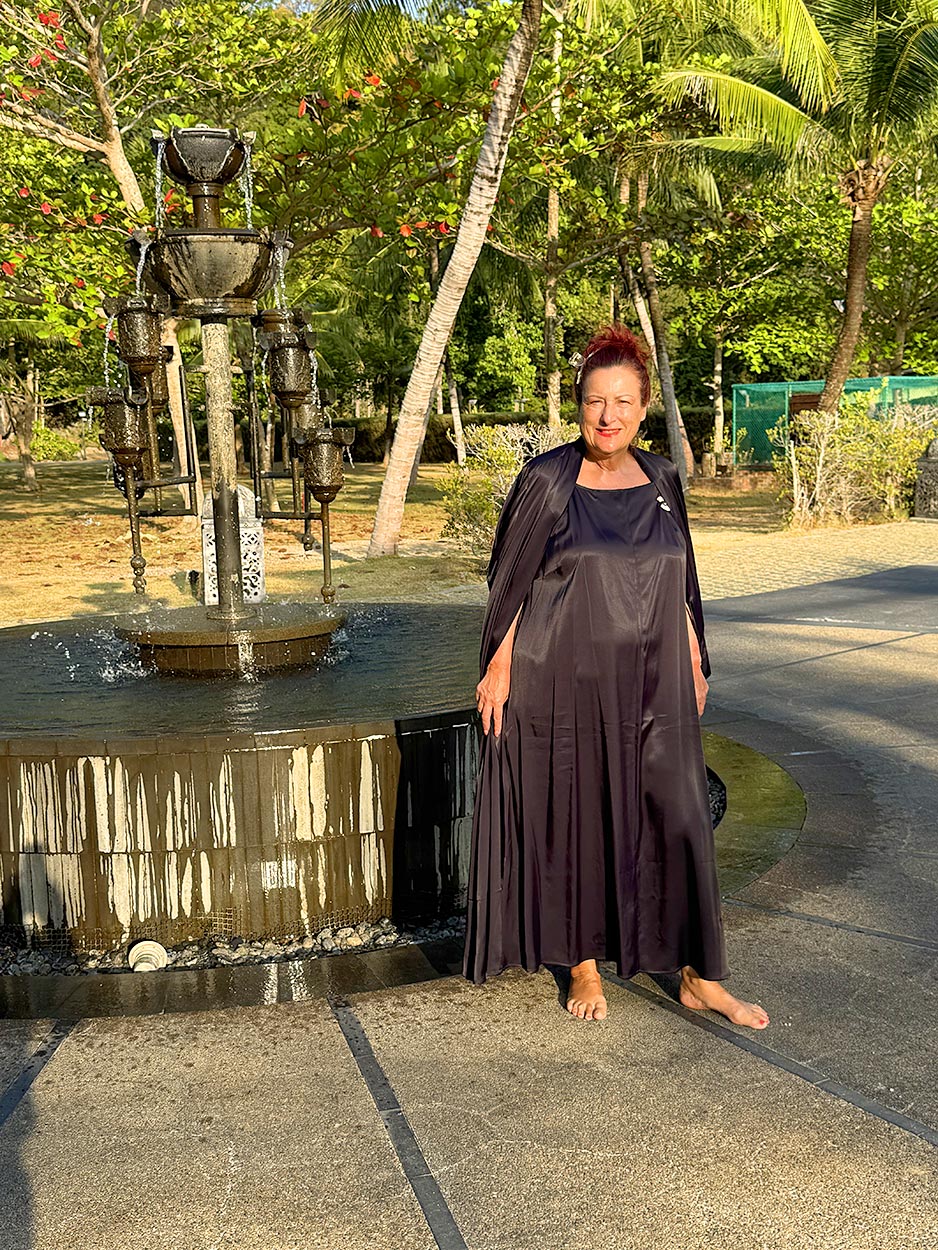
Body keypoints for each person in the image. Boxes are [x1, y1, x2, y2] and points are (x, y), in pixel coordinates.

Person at [462, 324, 768, 1029]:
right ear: (579, 405)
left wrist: (694, 655)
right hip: (563, 677)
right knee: (581, 811)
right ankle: (584, 963)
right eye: (595, 401)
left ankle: (699, 976)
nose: (608, 416)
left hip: (657, 678)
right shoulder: (547, 480)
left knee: (679, 815)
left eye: (623, 401)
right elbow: (511, 582)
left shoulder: (662, 479)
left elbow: (680, 575)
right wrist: (500, 665)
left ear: (643, 407)